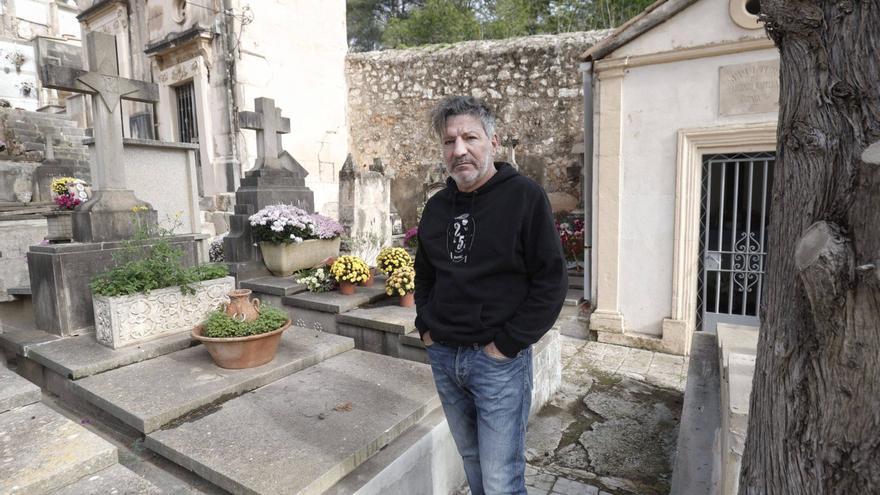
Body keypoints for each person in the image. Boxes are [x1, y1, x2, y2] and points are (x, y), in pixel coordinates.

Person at [414, 96, 567, 495]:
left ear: (492, 142)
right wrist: (426, 330)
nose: (459, 150)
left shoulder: (524, 197)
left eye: (470, 137)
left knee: (501, 479)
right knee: (472, 463)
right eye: (449, 141)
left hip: (496, 363)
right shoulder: (436, 207)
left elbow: (551, 281)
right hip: (445, 357)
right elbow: (424, 275)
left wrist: (506, 346)